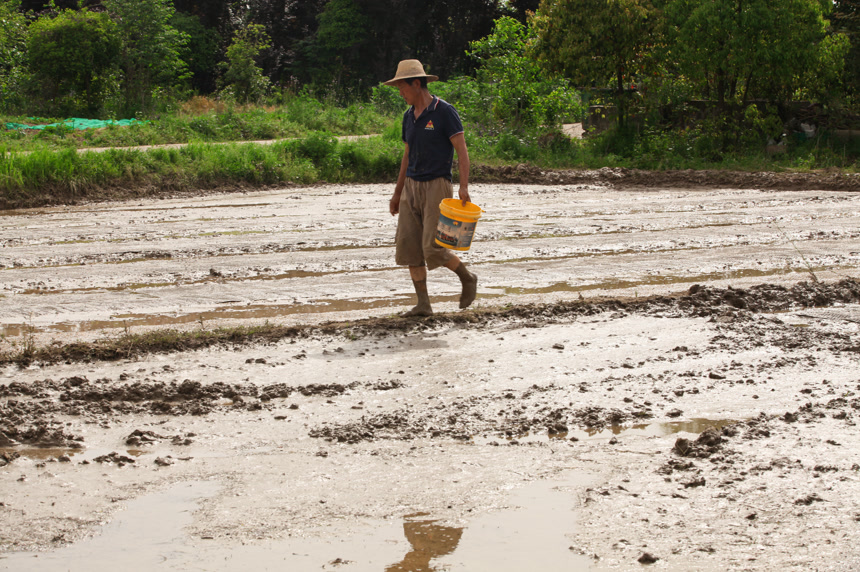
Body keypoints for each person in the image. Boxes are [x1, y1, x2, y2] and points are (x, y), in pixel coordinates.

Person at [384, 59, 477, 317]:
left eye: (402, 88)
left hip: (437, 185)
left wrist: (464, 187)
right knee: (409, 247)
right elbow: (406, 156)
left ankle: (467, 277)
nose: (400, 93)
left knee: (432, 247)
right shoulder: (408, 117)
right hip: (411, 187)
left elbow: (461, 150)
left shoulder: (444, 112)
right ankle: (423, 304)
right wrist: (397, 192)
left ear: (416, 84)